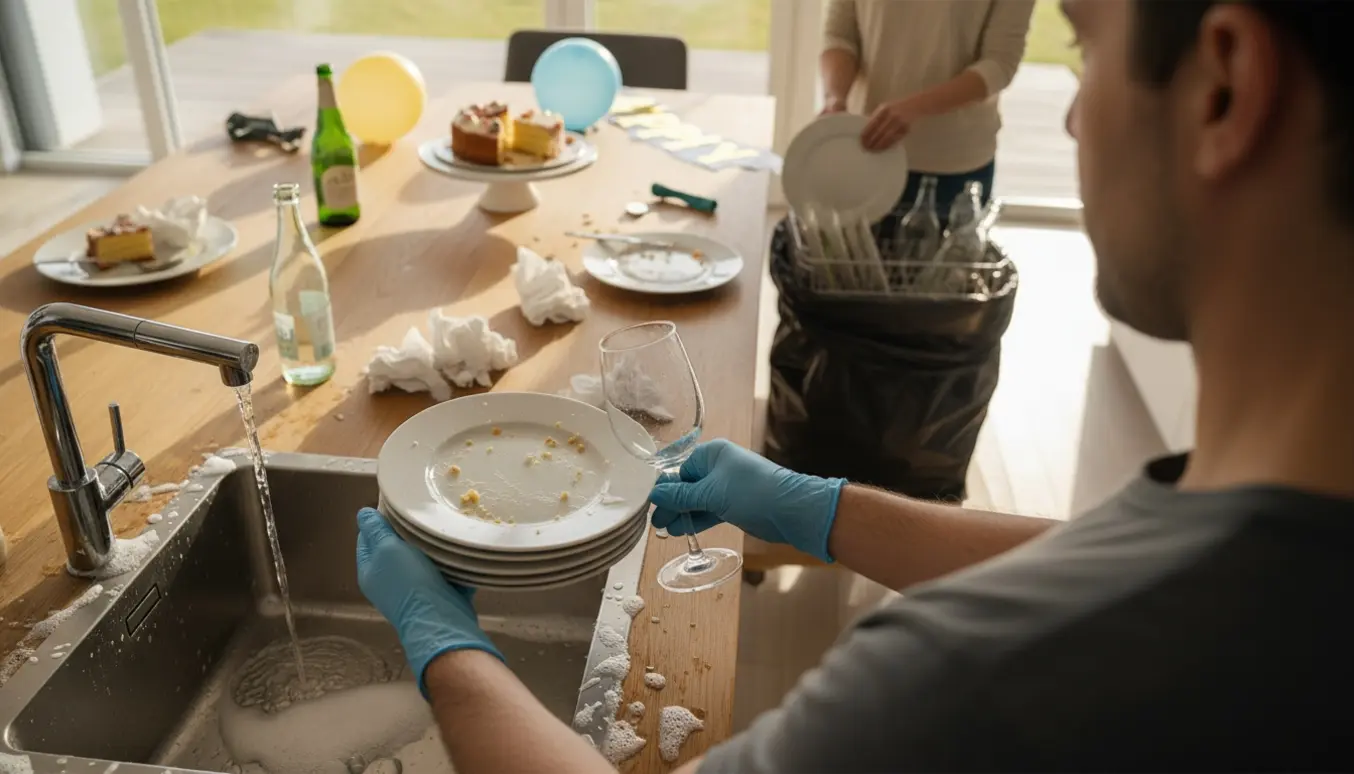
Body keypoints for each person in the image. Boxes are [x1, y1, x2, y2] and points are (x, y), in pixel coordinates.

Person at [355, 0, 1354, 769]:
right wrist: (821, 510)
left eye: (1087, 50)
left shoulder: (963, 682)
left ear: (1222, 86)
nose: (1080, 114)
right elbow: (1112, 560)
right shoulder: (1272, 571)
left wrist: (441, 641)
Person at [821, 0, 1036, 223]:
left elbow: (999, 64)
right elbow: (840, 37)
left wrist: (914, 108)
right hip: (861, 150)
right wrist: (835, 98)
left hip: (951, 164)